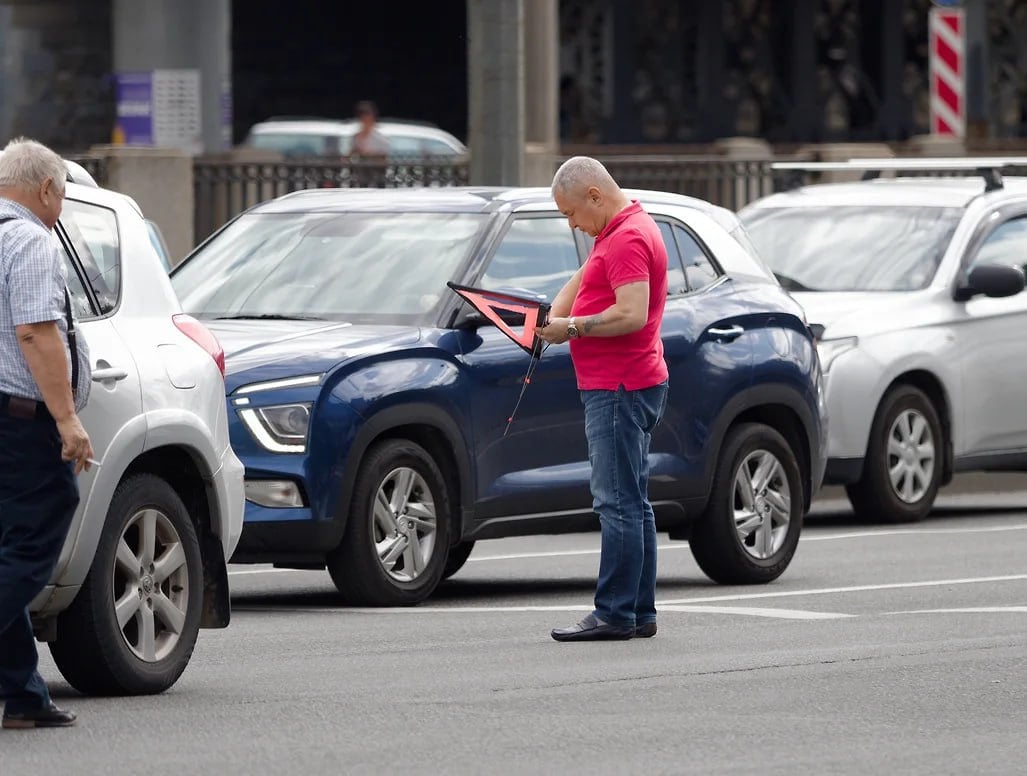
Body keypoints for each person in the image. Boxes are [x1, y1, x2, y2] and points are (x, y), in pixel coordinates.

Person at [537, 156, 669, 642]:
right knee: (634, 501)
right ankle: (638, 611)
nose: (571, 223)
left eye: (570, 213)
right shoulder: (617, 229)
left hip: (618, 386)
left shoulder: (629, 237)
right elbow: (588, 275)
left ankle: (614, 612)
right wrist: (549, 315)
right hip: (629, 381)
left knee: (616, 504)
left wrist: (568, 328)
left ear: (594, 195)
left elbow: (631, 314)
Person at [0, 137, 93, 728]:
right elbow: (35, 331)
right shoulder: (30, 238)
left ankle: (23, 697)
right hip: (19, 423)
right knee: (33, 542)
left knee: (7, 549)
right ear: (48, 189)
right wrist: (67, 420)